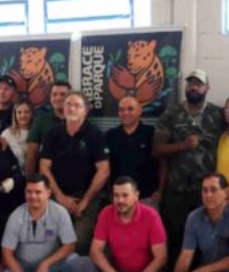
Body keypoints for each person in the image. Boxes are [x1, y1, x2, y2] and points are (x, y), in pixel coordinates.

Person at [69, 177, 168, 272]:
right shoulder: (106, 213)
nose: (120, 200)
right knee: (77, 263)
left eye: (125, 195)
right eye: (116, 195)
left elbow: (161, 258)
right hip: (118, 271)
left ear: (136, 196)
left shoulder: (151, 215)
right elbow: (95, 251)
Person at [153, 69, 225, 263]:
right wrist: (182, 146)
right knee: (176, 242)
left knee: (208, 243)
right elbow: (157, 150)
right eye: (190, 83)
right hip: (177, 191)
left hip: (208, 193)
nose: (194, 87)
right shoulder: (171, 113)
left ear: (207, 88)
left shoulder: (218, 114)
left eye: (198, 84)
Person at [39, 91, 110, 255]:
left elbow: (104, 171)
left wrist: (85, 200)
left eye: (77, 105)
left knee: (80, 241)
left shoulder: (95, 135)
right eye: (68, 104)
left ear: (86, 110)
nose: (72, 109)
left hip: (86, 199)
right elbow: (44, 168)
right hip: (57, 196)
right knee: (51, 239)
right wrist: (60, 196)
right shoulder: (52, 134)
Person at [0, 174, 79, 272]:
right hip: (23, 267)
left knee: (74, 260)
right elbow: (6, 253)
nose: (33, 196)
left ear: (48, 193)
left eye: (38, 192)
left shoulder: (60, 212)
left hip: (50, 267)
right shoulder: (15, 216)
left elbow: (70, 245)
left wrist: (46, 264)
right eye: (29, 192)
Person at [105, 95, 165, 208]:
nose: (125, 113)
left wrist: (160, 190)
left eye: (130, 109)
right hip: (119, 198)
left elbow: (162, 164)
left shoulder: (151, 133)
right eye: (122, 110)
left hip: (147, 196)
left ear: (139, 111)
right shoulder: (110, 135)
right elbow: (105, 167)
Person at [26, 80, 70, 176]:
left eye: (63, 94)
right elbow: (32, 154)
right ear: (50, 97)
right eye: (54, 94)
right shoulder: (40, 120)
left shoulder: (78, 121)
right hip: (46, 178)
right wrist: (29, 179)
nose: (58, 98)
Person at [1, 102, 34, 172]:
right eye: (19, 112)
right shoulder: (6, 134)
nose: (23, 115)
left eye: (26, 112)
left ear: (32, 114)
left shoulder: (37, 133)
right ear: (15, 115)